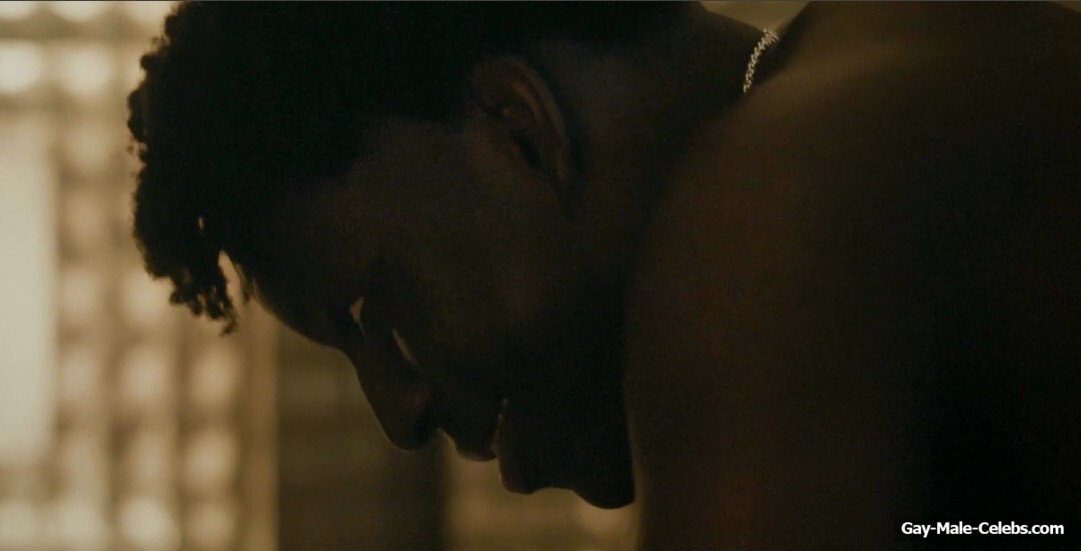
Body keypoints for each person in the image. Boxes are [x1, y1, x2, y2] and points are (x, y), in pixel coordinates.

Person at [126, 2, 1081, 548]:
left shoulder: (773, 211)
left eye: (378, 316)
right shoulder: (898, 61)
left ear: (517, 131)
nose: (400, 416)